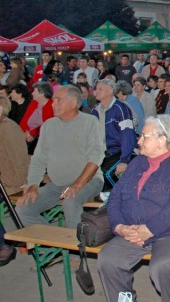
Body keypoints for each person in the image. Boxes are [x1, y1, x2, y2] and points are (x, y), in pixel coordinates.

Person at [98, 115, 170, 302]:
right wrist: (120, 227)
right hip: (133, 229)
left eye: (144, 136)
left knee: (163, 265)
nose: (139, 140)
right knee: (108, 259)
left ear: (163, 139)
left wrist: (150, 229)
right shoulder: (138, 161)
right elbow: (115, 197)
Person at [16, 85, 105, 228]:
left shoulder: (90, 122)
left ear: (74, 102)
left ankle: (75, 244)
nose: (53, 104)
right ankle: (56, 242)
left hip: (89, 182)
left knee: (70, 201)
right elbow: (38, 159)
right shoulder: (48, 126)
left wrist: (76, 186)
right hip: (57, 185)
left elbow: (96, 157)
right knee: (23, 208)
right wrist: (33, 185)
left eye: (58, 100)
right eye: (53, 100)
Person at [92, 78, 137, 185]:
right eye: (96, 89)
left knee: (106, 177)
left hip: (118, 153)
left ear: (111, 91)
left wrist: (124, 160)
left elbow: (127, 135)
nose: (96, 91)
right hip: (102, 154)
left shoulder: (120, 108)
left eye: (100, 89)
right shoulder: (95, 111)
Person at [20, 82, 55, 154]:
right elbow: (24, 121)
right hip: (27, 136)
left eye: (34, 91)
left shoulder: (52, 105)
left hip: (43, 140)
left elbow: (47, 126)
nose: (32, 93)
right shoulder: (34, 103)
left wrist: (31, 135)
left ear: (42, 93)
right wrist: (27, 134)